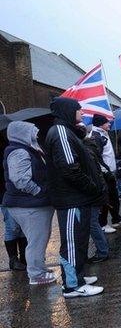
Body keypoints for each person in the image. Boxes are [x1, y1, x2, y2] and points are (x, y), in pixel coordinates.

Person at [45, 97, 106, 297]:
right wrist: (91, 187)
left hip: (77, 198)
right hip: (72, 199)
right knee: (72, 243)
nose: (81, 112)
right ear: (68, 111)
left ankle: (77, 275)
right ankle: (72, 285)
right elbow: (70, 168)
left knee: (79, 240)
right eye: (78, 109)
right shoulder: (61, 132)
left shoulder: (66, 130)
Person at [2, 121, 56, 285]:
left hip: (31, 204)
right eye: (32, 132)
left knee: (37, 239)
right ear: (22, 134)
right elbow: (20, 180)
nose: (36, 134)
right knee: (36, 241)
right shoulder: (19, 151)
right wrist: (38, 192)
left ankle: (38, 268)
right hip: (30, 205)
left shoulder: (26, 148)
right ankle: (36, 274)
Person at [91, 114, 121, 233]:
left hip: (110, 173)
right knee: (106, 199)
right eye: (107, 122)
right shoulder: (96, 136)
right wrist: (106, 171)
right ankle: (102, 224)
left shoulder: (103, 133)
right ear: (100, 124)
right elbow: (96, 158)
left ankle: (116, 219)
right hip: (104, 174)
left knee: (114, 197)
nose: (109, 124)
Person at [82, 136, 111, 264]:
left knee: (92, 223)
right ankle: (103, 249)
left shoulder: (86, 151)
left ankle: (102, 251)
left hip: (93, 193)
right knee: (93, 222)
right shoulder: (91, 149)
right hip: (97, 192)